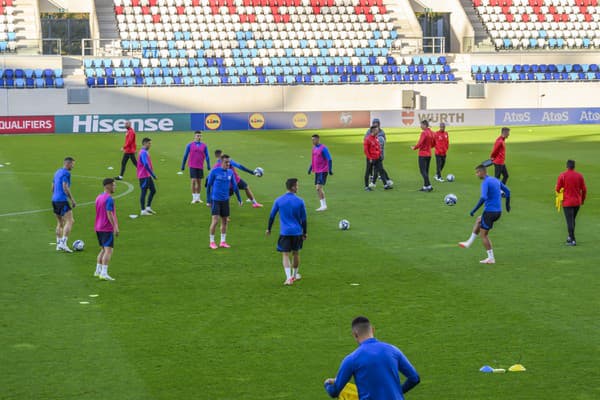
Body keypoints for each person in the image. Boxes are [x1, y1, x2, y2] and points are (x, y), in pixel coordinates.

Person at [324, 316, 420, 400]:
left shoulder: (351, 359)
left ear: (355, 335)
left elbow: (335, 392)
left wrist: (327, 384)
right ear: (373, 330)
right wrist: (398, 393)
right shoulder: (393, 350)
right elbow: (414, 378)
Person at [459, 164, 511, 264]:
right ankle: (468, 243)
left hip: (490, 212)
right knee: (479, 220)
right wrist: (508, 205)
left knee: (484, 235)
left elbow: (483, 197)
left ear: (483, 172)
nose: (476, 174)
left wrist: (474, 210)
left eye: (477, 172)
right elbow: (508, 191)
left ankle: (491, 258)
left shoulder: (485, 183)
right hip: (497, 212)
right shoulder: (495, 180)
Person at [266, 178, 307, 285]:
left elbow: (272, 216)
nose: (298, 187)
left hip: (285, 232)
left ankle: (288, 278)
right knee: (296, 253)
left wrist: (269, 229)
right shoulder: (300, 201)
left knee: (285, 255)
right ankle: (294, 275)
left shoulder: (279, 200)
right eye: (297, 185)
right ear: (293, 187)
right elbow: (304, 219)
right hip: (297, 232)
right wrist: (305, 232)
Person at [206, 154, 243, 249]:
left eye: (229, 162)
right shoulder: (214, 171)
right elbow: (208, 186)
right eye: (226, 162)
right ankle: (212, 242)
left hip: (225, 200)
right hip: (216, 200)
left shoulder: (230, 172)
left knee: (225, 221)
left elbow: (235, 186)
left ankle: (223, 241)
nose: (228, 164)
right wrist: (208, 200)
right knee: (215, 221)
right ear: (221, 162)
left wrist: (239, 199)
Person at [556, 159, 587, 246]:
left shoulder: (563, 175)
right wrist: (583, 200)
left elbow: (557, 189)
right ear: (574, 166)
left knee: (570, 221)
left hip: (567, 202)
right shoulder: (579, 176)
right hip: (577, 202)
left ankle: (573, 240)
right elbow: (584, 189)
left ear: (567, 166)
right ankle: (570, 237)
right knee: (572, 220)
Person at [94, 178, 119, 281]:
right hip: (106, 227)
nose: (115, 187)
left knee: (103, 250)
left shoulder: (98, 197)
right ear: (107, 186)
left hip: (98, 226)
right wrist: (115, 227)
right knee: (109, 250)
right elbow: (109, 213)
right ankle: (104, 273)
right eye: (113, 185)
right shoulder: (109, 199)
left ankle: (97, 271)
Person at [51, 157, 77, 252]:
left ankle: (58, 245)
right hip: (62, 200)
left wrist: (55, 196)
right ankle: (63, 243)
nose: (73, 166)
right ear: (68, 164)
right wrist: (72, 199)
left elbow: (52, 187)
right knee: (70, 221)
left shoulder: (57, 172)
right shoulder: (66, 173)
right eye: (72, 164)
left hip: (54, 200)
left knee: (60, 222)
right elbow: (65, 187)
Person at [181, 130, 211, 204]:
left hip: (200, 166)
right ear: (194, 136)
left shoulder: (204, 145)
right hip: (192, 165)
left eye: (200, 135)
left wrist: (208, 165)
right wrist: (183, 165)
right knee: (193, 180)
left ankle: (198, 197)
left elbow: (207, 156)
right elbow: (185, 155)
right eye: (197, 135)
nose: (199, 137)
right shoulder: (189, 145)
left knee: (199, 182)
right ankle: (194, 198)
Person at [308, 134, 332, 211]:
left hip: (323, 170)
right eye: (312, 140)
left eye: (314, 140)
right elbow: (313, 159)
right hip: (317, 171)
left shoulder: (324, 148)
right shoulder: (314, 148)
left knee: (318, 188)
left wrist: (330, 170)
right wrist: (310, 168)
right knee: (318, 188)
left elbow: (329, 159)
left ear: (318, 139)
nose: (312, 141)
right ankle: (323, 205)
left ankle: (323, 206)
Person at [363, 118, 392, 186]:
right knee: (370, 170)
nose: (377, 131)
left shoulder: (378, 136)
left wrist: (379, 154)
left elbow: (379, 146)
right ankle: (368, 185)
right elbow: (366, 149)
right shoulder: (368, 137)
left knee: (380, 169)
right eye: (374, 123)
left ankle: (385, 184)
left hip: (377, 156)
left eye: (377, 123)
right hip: (371, 157)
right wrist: (369, 157)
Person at [412, 120, 434, 192]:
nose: (420, 126)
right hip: (429, 154)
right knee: (426, 171)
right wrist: (430, 147)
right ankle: (425, 186)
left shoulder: (424, 133)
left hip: (422, 154)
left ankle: (429, 185)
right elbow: (434, 143)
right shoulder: (432, 132)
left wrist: (414, 147)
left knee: (422, 171)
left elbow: (420, 142)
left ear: (425, 125)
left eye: (421, 125)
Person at [137, 137, 157, 216]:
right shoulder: (143, 152)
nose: (150, 145)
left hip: (147, 175)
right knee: (144, 192)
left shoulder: (144, 151)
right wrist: (153, 174)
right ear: (145, 143)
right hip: (144, 176)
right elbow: (145, 164)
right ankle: (143, 210)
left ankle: (148, 207)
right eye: (149, 143)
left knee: (153, 190)